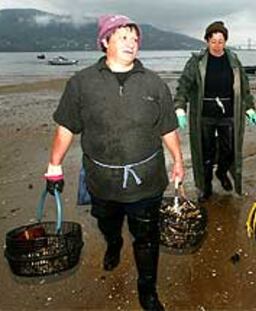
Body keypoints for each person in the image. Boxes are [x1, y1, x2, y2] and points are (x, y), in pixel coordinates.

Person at [43, 14, 184, 311]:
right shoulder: (81, 83)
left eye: (135, 39)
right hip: (101, 181)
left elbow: (168, 128)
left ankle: (147, 290)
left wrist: (179, 162)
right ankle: (113, 242)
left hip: (146, 180)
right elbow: (66, 127)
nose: (131, 43)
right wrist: (54, 165)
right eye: (123, 37)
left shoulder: (155, 84)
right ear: (105, 41)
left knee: (146, 236)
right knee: (107, 222)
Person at [174, 21, 256, 203]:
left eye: (221, 41)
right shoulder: (196, 62)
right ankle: (206, 186)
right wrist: (180, 106)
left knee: (229, 150)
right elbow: (183, 86)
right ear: (206, 41)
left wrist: (250, 107)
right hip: (205, 116)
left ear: (225, 41)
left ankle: (221, 172)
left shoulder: (234, 61)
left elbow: (244, 88)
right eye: (213, 41)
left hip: (229, 115)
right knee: (206, 153)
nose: (217, 45)